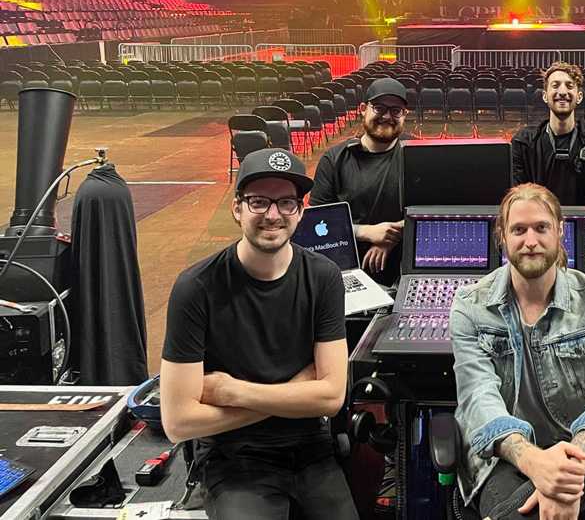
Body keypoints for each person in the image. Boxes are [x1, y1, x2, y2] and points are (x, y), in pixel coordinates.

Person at [160, 149, 356, 520]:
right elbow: (178, 421)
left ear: (300, 210)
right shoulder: (195, 287)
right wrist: (296, 391)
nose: (272, 215)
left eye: (286, 203)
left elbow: (331, 397)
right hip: (233, 456)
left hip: (310, 447)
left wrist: (232, 391)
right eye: (259, 202)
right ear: (237, 209)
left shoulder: (324, 276)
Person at [450, 184, 585, 520]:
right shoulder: (470, 307)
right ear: (502, 236)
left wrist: (564, 465)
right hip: (503, 456)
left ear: (559, 231)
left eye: (541, 227)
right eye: (518, 230)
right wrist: (536, 463)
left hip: (583, 446)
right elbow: (478, 398)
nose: (531, 241)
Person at [311, 78, 408, 283]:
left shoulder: (419, 155)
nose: (387, 116)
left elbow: (434, 212)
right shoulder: (335, 160)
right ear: (363, 109)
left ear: (404, 115)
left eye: (396, 110)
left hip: (404, 271)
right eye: (379, 108)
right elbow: (316, 222)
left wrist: (389, 237)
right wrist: (366, 232)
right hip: (347, 270)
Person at [511, 62, 585, 206]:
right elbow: (518, 195)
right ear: (545, 96)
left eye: (569, 86)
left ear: (579, 97)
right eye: (555, 85)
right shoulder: (523, 142)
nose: (563, 91)